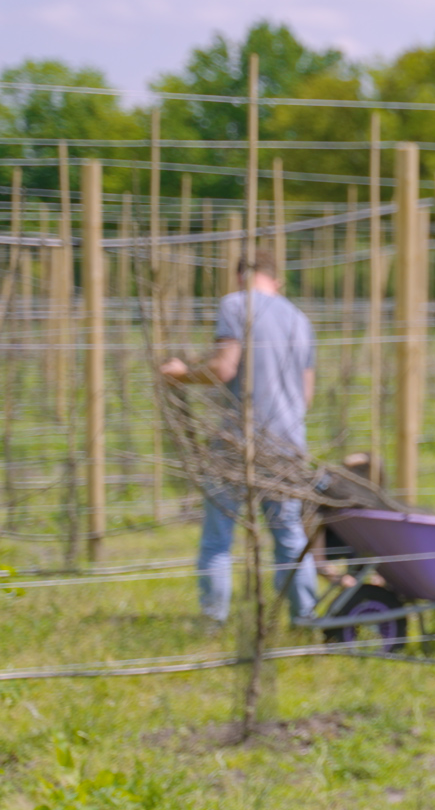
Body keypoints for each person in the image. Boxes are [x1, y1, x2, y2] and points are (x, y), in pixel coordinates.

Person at [160, 251, 318, 625]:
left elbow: (223, 367)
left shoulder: (235, 304)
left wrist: (181, 374)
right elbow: (305, 395)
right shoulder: (300, 319)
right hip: (289, 441)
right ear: (276, 281)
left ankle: (213, 620)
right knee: (290, 536)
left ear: (238, 277)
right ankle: (305, 618)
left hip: (238, 441)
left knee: (218, 537)